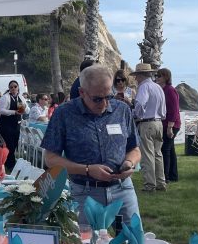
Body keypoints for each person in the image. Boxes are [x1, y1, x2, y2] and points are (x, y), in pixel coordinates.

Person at [41, 65, 141, 229]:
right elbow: (50, 159)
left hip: (123, 189)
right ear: (82, 92)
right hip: (84, 193)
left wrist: (129, 163)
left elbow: (134, 149)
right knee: (87, 243)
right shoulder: (64, 114)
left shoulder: (122, 110)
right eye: (97, 99)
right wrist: (87, 170)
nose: (104, 103)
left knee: (134, 241)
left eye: (109, 96)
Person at [132, 63, 167, 193]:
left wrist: (136, 114)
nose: (136, 79)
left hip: (147, 123)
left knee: (147, 155)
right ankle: (161, 182)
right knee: (158, 154)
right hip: (159, 123)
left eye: (136, 76)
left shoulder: (144, 87)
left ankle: (150, 185)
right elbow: (163, 108)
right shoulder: (158, 87)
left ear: (141, 75)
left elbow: (140, 103)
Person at [157, 67, 181, 183]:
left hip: (171, 124)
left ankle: (165, 177)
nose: (157, 78)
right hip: (165, 124)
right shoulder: (162, 90)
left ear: (166, 77)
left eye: (159, 76)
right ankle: (173, 175)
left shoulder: (170, 90)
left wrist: (170, 127)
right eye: (156, 76)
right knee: (170, 150)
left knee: (165, 149)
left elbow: (174, 110)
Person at [0, 80, 27, 170]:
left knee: (14, 144)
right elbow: (1, 110)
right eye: (11, 87)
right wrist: (14, 112)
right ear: (9, 89)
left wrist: (25, 109)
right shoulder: (5, 97)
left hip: (16, 124)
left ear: (18, 87)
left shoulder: (21, 97)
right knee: (10, 144)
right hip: (6, 124)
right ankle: (11, 165)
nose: (13, 88)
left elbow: (27, 109)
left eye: (15, 86)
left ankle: (5, 160)